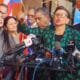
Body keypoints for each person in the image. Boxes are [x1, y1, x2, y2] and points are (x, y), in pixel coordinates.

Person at [42, 6, 80, 80]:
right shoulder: (47, 31)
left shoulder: (74, 33)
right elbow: (41, 46)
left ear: (67, 20)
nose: (58, 17)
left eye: (62, 15)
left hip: (68, 73)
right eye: (57, 15)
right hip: (49, 72)